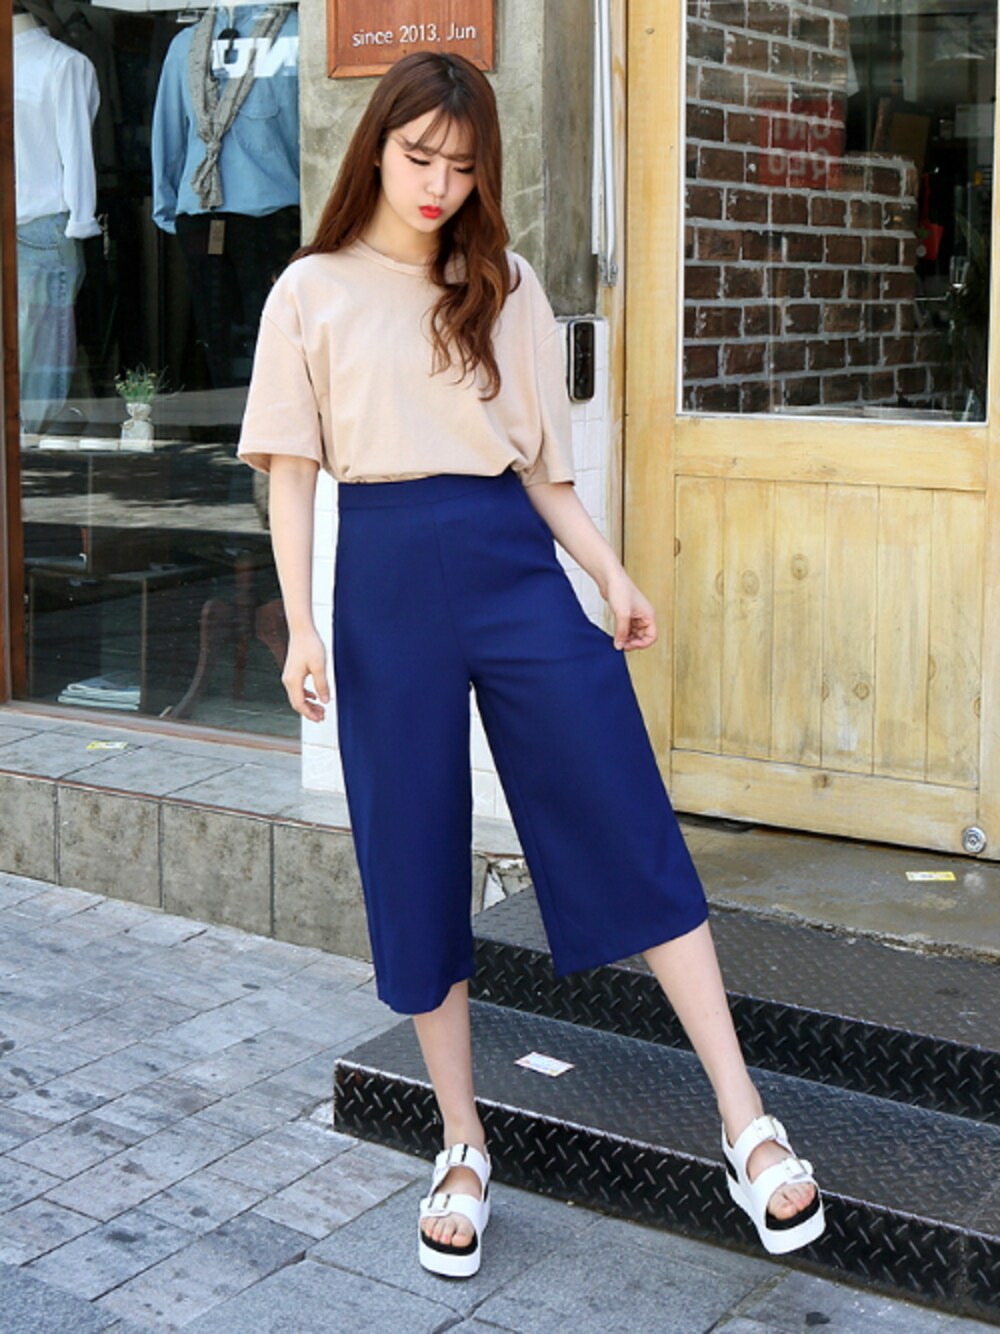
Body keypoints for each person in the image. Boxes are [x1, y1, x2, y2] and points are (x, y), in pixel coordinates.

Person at [237, 50, 824, 1280]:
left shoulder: (503, 283)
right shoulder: (309, 289)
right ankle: (461, 1142)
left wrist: (609, 574)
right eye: (418, 158)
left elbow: (543, 471)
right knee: (409, 847)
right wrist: (301, 624)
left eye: (461, 166)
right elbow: (290, 473)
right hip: (383, 580)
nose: (438, 185)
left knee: (619, 802)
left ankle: (744, 1119)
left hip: (510, 565)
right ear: (375, 148)